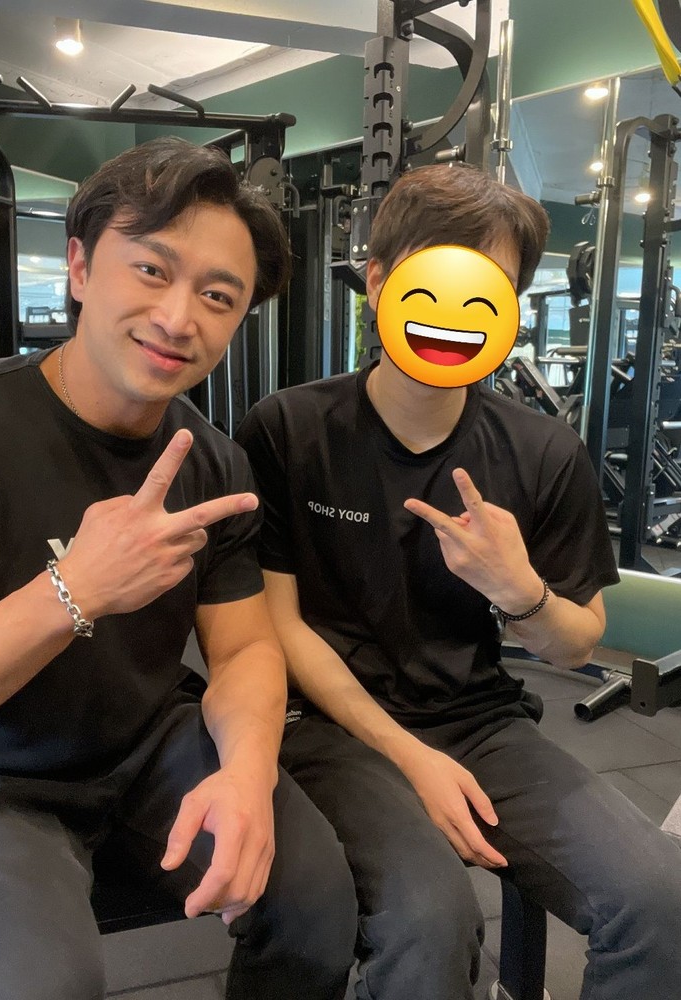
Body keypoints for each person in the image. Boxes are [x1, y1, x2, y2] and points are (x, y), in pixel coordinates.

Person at [236, 163, 681, 1000]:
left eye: (487, 286)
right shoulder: (289, 429)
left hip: (480, 723)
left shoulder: (544, 453)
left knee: (660, 901)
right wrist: (411, 757)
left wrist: (521, 593)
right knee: (430, 923)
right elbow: (280, 626)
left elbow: (579, 641)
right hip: (327, 727)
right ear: (379, 282)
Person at [0, 137, 357, 1000]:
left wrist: (247, 774)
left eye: (217, 296)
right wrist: (76, 589)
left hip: (148, 744)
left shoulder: (213, 463)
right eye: (152, 270)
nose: (178, 316)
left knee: (314, 902)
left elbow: (245, 650)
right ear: (81, 267)